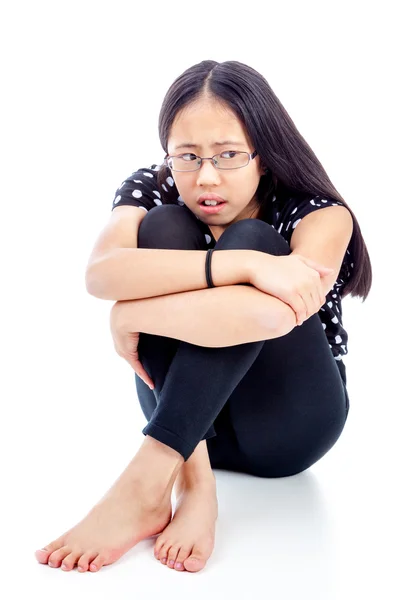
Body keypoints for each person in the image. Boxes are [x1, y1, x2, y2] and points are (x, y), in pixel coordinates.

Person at [34, 59, 372, 575]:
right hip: (193, 430)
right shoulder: (156, 189)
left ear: (265, 153)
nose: (205, 177)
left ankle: (144, 482)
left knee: (256, 237)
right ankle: (195, 482)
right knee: (166, 226)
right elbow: (101, 274)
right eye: (187, 156)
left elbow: (266, 316)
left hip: (289, 428)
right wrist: (243, 265)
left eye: (229, 155)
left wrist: (134, 311)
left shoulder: (317, 212)